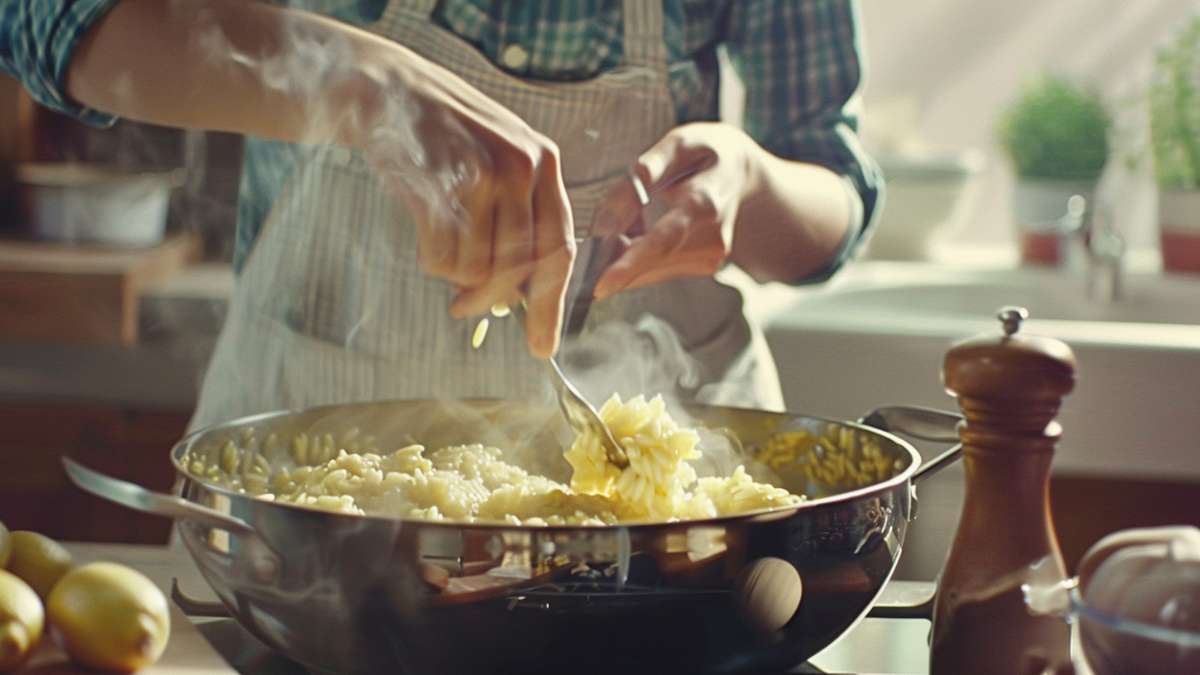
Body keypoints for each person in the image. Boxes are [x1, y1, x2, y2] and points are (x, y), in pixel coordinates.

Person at [1, 0, 882, 426]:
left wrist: (752, 182)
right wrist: (360, 83)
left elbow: (831, 196)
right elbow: (44, 18)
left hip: (665, 554)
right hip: (303, 505)